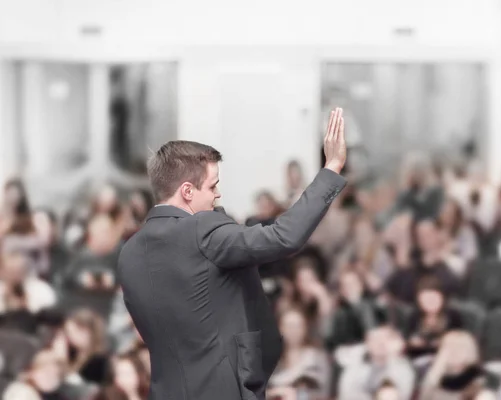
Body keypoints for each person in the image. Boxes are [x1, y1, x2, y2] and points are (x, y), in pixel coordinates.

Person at [118, 108, 348, 400]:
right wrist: (332, 168)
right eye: (213, 186)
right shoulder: (202, 230)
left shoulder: (129, 252)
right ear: (187, 191)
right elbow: (284, 237)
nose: (218, 195)